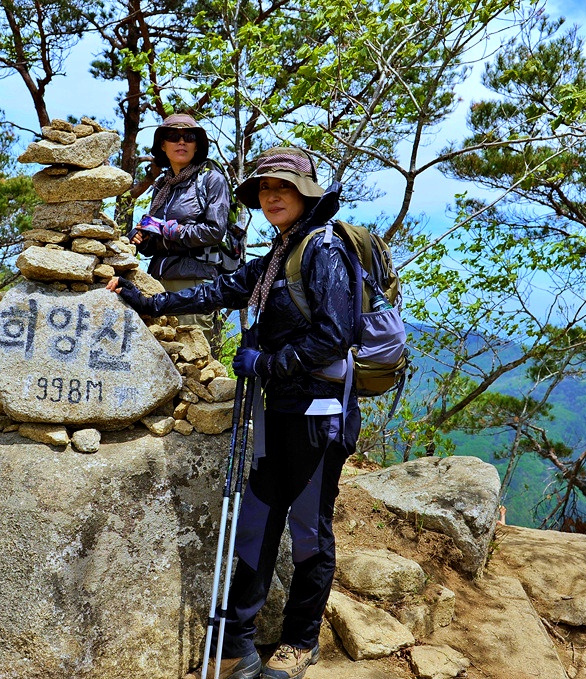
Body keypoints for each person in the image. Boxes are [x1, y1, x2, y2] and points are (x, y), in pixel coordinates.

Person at [108, 147, 358, 679]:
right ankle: (238, 644)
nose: (271, 196)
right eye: (265, 188)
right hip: (280, 410)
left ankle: (300, 642)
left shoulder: (324, 250)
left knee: (309, 529)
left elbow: (337, 336)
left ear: (306, 194)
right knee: (258, 520)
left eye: (283, 187)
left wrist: (267, 363)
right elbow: (221, 289)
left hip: (321, 413)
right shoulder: (279, 255)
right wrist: (150, 302)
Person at [130, 113, 231, 342]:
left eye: (189, 137)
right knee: (156, 356)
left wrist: (172, 231)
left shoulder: (211, 180)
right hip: (157, 283)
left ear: (197, 146)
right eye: (174, 136)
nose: (182, 141)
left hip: (194, 284)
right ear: (163, 145)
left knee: (192, 358)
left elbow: (215, 231)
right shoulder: (162, 186)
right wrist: (142, 238)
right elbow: (155, 240)